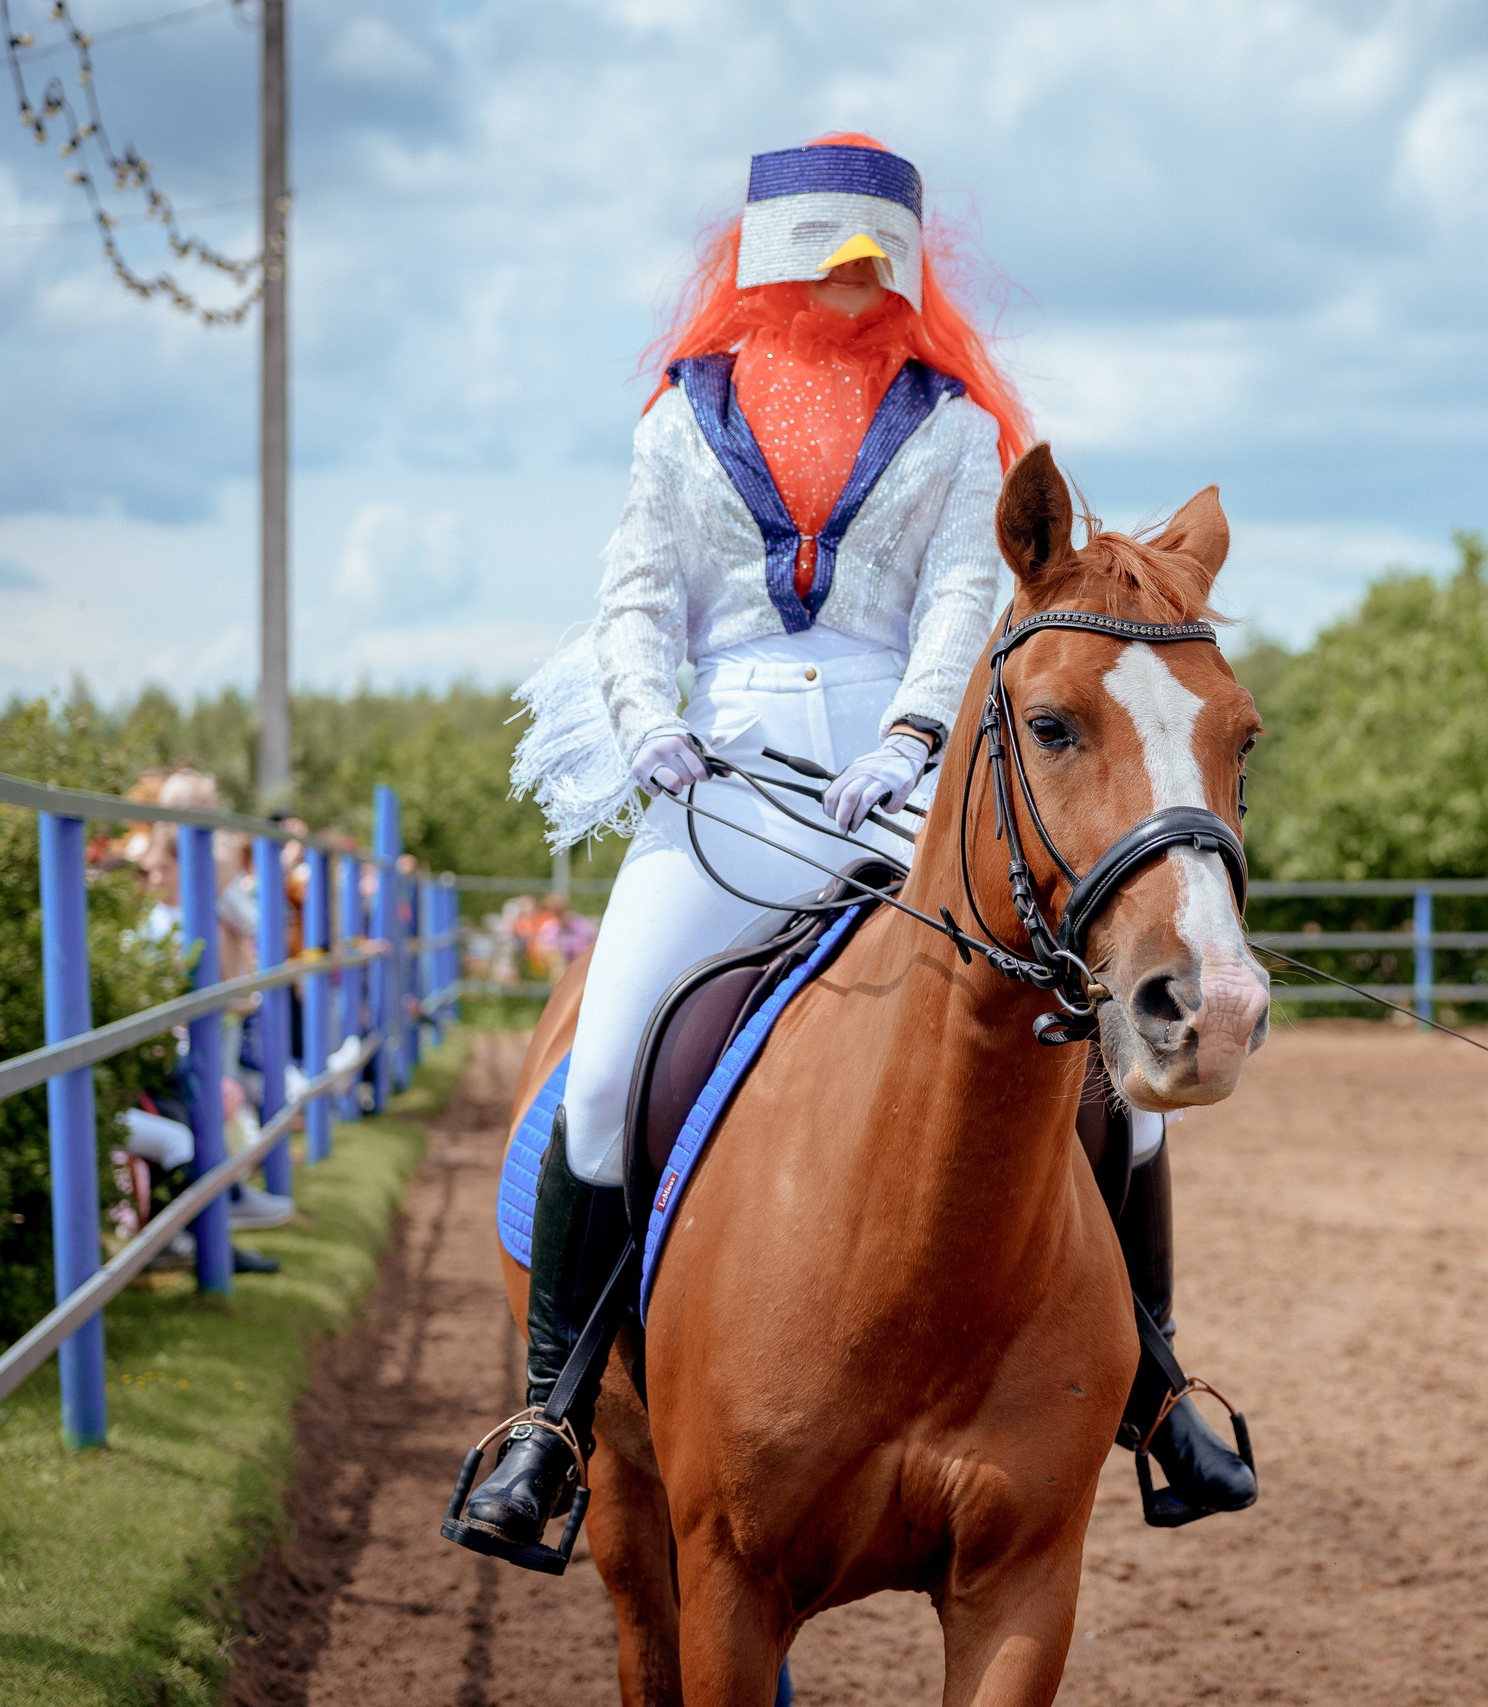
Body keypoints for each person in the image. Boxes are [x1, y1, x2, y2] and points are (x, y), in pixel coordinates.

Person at [470, 135, 1251, 1557]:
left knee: (1116, 1087)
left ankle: (1158, 1388)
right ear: (768, 261)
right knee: (607, 1061)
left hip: (907, 787)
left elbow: (961, 595)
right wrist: (649, 721)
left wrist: (907, 736)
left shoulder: (950, 427)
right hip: (716, 778)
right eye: (825, 258)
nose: (851, 283)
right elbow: (637, 592)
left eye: (873, 263)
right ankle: (551, 1419)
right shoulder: (682, 418)